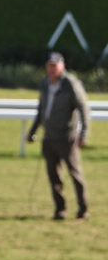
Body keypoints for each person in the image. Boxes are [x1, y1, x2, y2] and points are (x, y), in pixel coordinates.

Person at [27, 51, 90, 220]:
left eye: (55, 66)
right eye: (50, 66)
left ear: (62, 66)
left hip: (67, 138)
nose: (52, 69)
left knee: (75, 174)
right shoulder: (45, 84)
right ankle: (60, 209)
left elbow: (84, 108)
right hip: (49, 137)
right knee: (54, 176)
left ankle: (83, 209)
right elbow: (41, 110)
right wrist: (33, 131)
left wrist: (84, 133)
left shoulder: (71, 84)